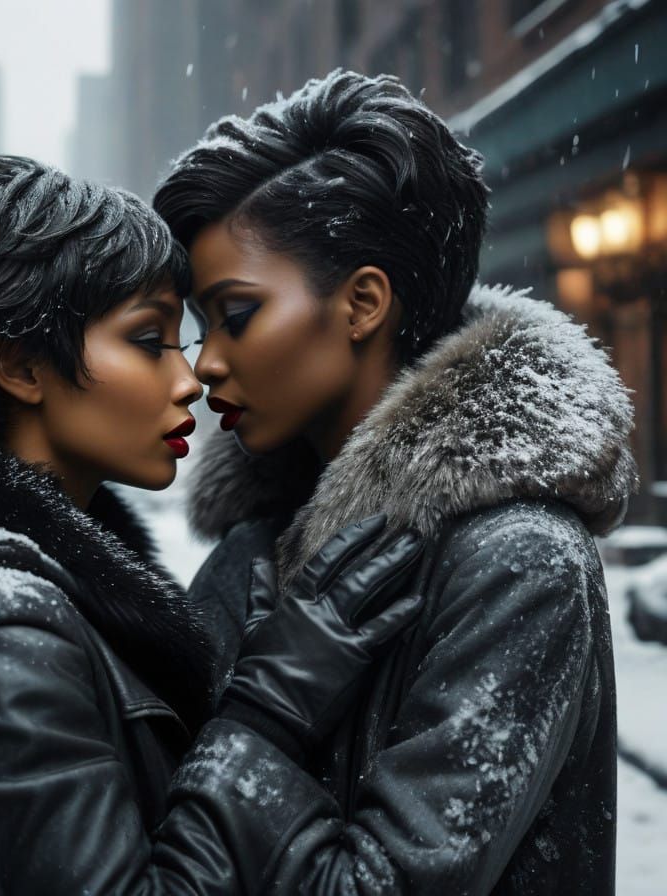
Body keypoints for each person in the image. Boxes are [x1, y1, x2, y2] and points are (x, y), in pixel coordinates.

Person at [0, 155, 424, 894]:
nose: (190, 377)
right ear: (23, 367)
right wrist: (273, 706)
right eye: (149, 341)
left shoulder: (43, 596)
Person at [153, 71, 636, 894]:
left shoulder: (521, 564)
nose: (207, 364)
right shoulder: (249, 553)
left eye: (234, 315)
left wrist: (254, 732)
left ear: (362, 303)